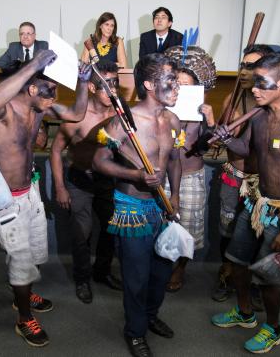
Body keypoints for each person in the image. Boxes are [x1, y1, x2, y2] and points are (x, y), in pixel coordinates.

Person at [210, 52, 280, 354]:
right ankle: (245, 313)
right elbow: (244, 148)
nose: (254, 88)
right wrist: (223, 137)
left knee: (268, 275)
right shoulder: (260, 115)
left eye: (262, 83)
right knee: (236, 260)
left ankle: (273, 328)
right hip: (257, 200)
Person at [0, 49, 91, 347]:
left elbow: (76, 114)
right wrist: (35, 63)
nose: (54, 97)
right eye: (50, 90)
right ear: (32, 87)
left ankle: (24, 292)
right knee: (20, 258)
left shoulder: (41, 107)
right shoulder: (6, 109)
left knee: (34, 252)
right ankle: (24, 318)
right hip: (6, 197)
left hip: (28, 189)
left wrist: (82, 82)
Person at [92, 53, 181, 357]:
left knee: (161, 273)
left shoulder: (172, 120)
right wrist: (136, 175)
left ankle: (151, 315)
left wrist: (177, 195)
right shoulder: (124, 121)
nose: (177, 85)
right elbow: (99, 160)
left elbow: (174, 160)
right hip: (131, 207)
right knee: (136, 277)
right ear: (148, 84)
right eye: (171, 80)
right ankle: (135, 331)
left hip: (163, 208)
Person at [50, 60, 122, 304]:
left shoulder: (119, 112)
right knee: (82, 234)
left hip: (107, 180)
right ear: (91, 88)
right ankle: (82, 279)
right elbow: (55, 151)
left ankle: (102, 273)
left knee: (112, 228)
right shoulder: (76, 117)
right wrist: (60, 187)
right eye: (106, 84)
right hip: (79, 178)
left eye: (116, 83)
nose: (113, 89)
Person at [212, 44, 274, 303]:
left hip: (262, 182)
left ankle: (254, 281)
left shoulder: (274, 105)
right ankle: (227, 272)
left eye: (252, 66)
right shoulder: (233, 99)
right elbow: (225, 136)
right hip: (234, 174)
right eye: (243, 65)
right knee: (227, 229)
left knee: (255, 232)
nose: (244, 71)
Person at [162, 45, 216, 292]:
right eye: (178, 83)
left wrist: (211, 121)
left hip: (192, 176)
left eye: (187, 84)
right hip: (164, 175)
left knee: (189, 226)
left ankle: (180, 269)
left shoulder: (202, 112)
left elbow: (208, 147)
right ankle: (161, 265)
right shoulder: (162, 108)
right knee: (163, 221)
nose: (182, 88)